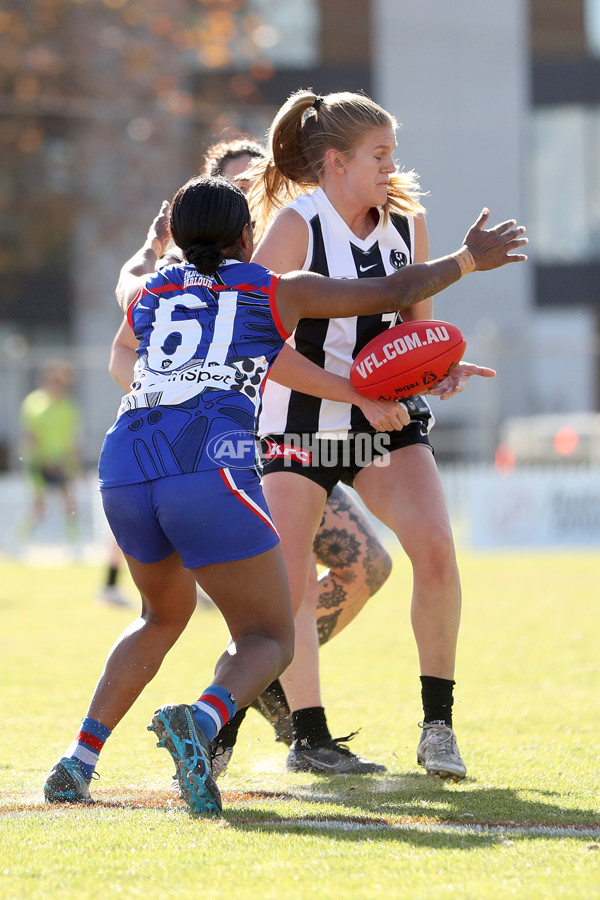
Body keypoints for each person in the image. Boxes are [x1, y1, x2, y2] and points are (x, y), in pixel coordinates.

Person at [43, 174, 525, 814]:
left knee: (159, 616)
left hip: (125, 460)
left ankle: (78, 760)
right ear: (248, 234)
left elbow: (127, 278)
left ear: (178, 239)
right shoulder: (272, 289)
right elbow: (394, 290)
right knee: (270, 637)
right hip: (204, 462)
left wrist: (150, 243)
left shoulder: (150, 289)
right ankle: (203, 720)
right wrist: (468, 259)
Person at [245, 89, 525, 782]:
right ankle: (306, 733)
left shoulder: (406, 221)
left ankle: (438, 728)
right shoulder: (294, 227)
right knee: (289, 584)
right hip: (302, 420)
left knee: (434, 548)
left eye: (393, 153)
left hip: (384, 418)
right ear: (335, 162)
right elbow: (259, 347)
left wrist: (437, 369)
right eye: (379, 155)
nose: (391, 167)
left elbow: (411, 332)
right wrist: (357, 394)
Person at [121, 136, 397, 774]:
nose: (252, 198)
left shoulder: (280, 259)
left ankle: (251, 690)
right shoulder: (182, 283)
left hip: (296, 437)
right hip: (233, 456)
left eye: (258, 185)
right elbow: (122, 354)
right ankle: (297, 728)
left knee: (367, 568)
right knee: (282, 600)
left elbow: (313, 339)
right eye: (238, 187)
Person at [19, 359, 81, 546]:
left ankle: (74, 544)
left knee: (70, 503)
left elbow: (71, 440)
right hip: (39, 461)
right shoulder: (34, 404)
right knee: (39, 506)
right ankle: (21, 542)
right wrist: (44, 460)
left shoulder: (69, 407)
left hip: (60, 462)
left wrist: (72, 464)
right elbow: (31, 436)